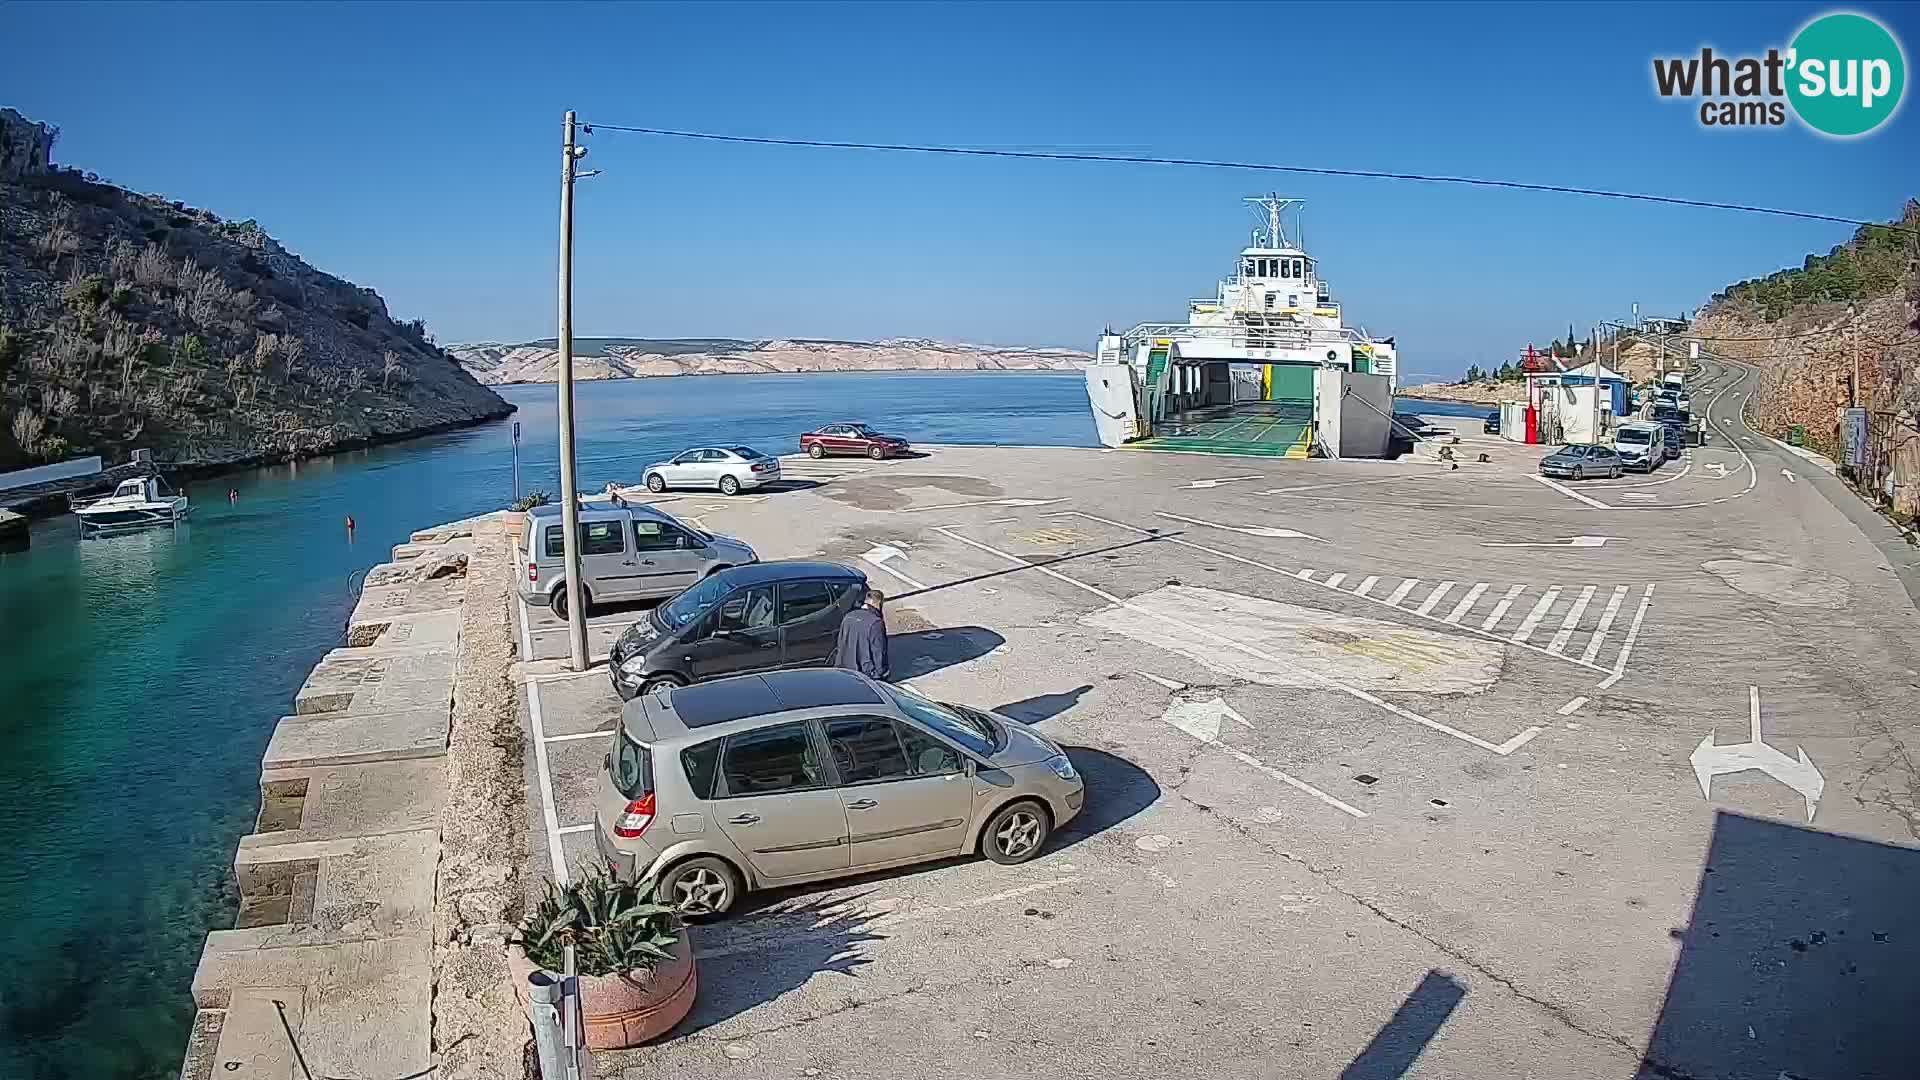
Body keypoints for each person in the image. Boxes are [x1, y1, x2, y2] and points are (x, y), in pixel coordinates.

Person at [831, 587, 889, 680]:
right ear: (879, 603)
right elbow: (879, 652)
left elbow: (840, 643)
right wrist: (881, 674)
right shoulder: (876, 623)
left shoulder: (849, 616)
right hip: (865, 674)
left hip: (843, 669)